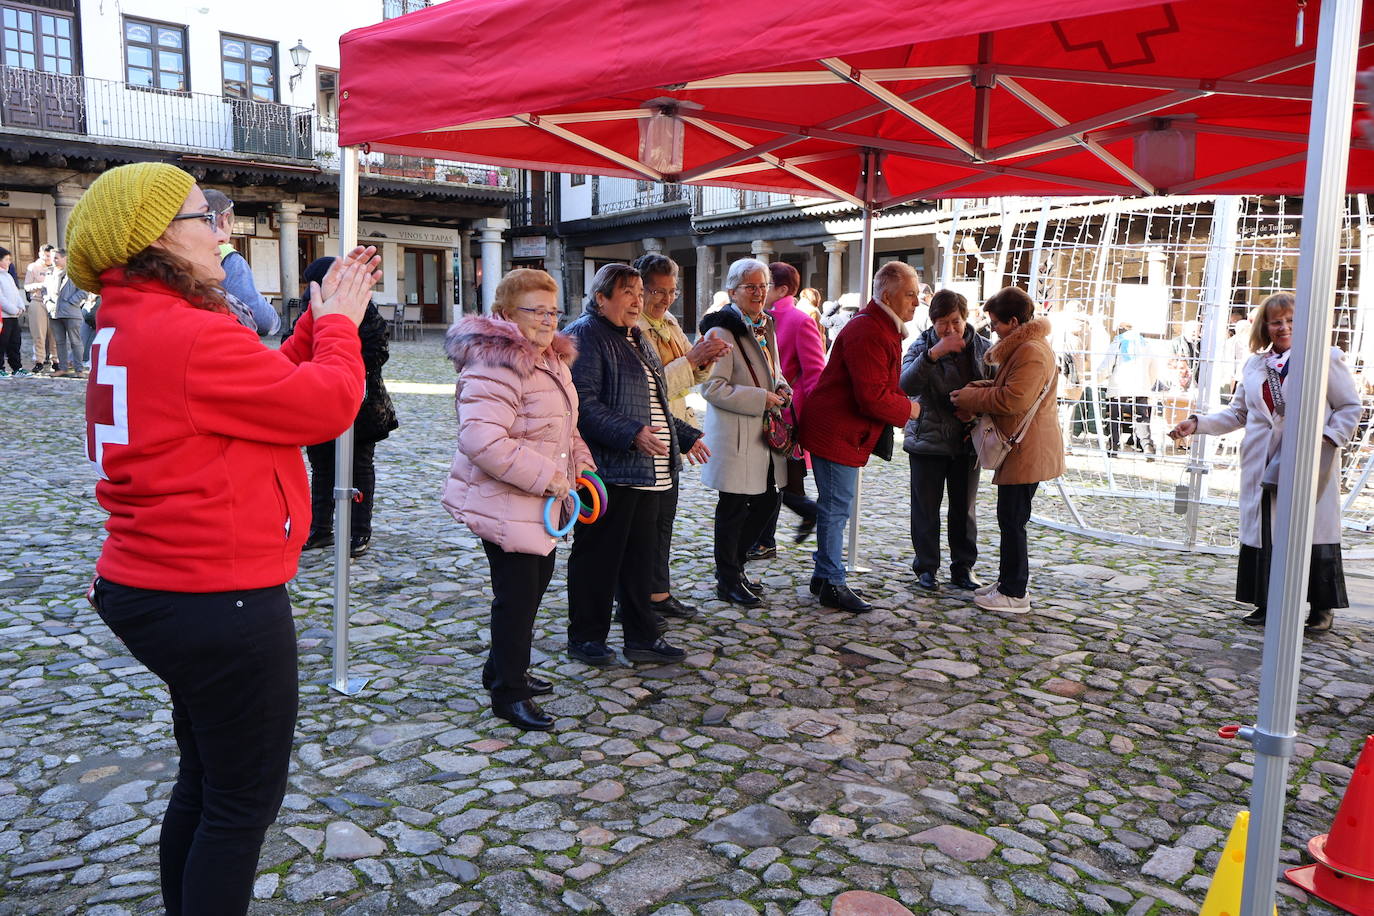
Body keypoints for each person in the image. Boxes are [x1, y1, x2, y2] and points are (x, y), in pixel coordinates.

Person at [68, 161, 379, 916]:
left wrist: (313, 322)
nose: (222, 229)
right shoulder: (184, 332)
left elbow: (259, 385)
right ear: (156, 241)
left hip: (158, 586)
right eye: (203, 216)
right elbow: (324, 405)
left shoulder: (136, 320)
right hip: (214, 597)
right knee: (239, 804)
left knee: (207, 782)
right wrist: (340, 328)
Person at [442, 269, 594, 730]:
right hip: (507, 501)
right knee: (517, 597)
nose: (548, 321)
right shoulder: (496, 363)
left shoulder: (550, 359)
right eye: (535, 311)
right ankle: (509, 692)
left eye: (553, 311)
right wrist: (549, 478)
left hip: (537, 500)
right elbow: (482, 440)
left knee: (531, 587)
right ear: (506, 315)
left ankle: (503, 668)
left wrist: (580, 466)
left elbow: (565, 427)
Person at [1169, 293, 1360, 633]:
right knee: (1266, 531)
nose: (1284, 327)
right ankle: (1266, 601)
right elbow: (1239, 412)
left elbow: (1349, 406)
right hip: (1263, 460)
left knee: (1310, 529)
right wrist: (1197, 424)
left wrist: (1328, 439)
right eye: (1276, 321)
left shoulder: (1324, 358)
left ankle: (1321, 606)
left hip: (1307, 459)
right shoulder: (1256, 365)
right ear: (1265, 326)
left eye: (1291, 320)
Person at [563, 263, 708, 666]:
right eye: (627, 291)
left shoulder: (638, 337)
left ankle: (642, 637)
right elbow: (583, 405)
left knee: (640, 560)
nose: (638, 299)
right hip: (609, 472)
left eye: (640, 292)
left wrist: (686, 434)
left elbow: (655, 404)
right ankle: (585, 638)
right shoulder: (585, 336)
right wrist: (630, 433)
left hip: (649, 472)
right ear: (601, 298)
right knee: (598, 559)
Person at [800, 261, 923, 613]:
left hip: (841, 431)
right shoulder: (870, 330)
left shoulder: (880, 326)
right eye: (910, 294)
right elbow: (871, 396)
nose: (916, 302)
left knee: (835, 506)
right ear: (887, 296)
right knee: (836, 508)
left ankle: (825, 576)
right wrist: (910, 411)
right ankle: (831, 583)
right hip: (836, 431)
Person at [949, 287, 1064, 613]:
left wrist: (971, 398)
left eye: (997, 322)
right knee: (1010, 518)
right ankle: (1008, 582)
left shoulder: (1030, 351)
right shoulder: (1025, 347)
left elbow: (1013, 399)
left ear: (1014, 321)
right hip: (1024, 448)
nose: (993, 329)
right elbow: (1006, 389)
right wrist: (974, 390)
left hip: (1027, 449)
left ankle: (1015, 592)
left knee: (1012, 521)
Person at [633, 252, 728, 623]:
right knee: (647, 521)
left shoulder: (669, 322)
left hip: (676, 427)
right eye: (657, 291)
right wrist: (691, 362)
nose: (665, 299)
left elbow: (694, 378)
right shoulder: (634, 326)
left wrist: (705, 360)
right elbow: (649, 387)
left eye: (671, 291)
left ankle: (659, 591)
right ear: (640, 289)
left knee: (664, 519)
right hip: (649, 429)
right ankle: (640, 596)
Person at [699, 258, 791, 607]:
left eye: (762, 286)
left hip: (763, 434)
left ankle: (736, 567)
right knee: (734, 507)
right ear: (732, 292)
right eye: (750, 287)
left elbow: (773, 371)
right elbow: (711, 387)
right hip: (736, 436)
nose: (758, 292)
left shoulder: (764, 325)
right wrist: (760, 398)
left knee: (769, 500)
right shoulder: (720, 332)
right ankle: (728, 578)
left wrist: (782, 388)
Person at [298, 256, 398, 558]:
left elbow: (377, 349)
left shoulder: (361, 306)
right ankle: (321, 529)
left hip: (361, 402)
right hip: (319, 401)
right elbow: (294, 341)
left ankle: (358, 531)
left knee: (359, 467)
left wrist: (341, 360)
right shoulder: (310, 307)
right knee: (323, 467)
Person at [900, 288, 993, 592]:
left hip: (968, 441)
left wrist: (975, 413)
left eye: (955, 321)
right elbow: (905, 384)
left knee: (964, 508)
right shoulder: (922, 345)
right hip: (928, 437)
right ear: (933, 322)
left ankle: (963, 567)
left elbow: (996, 391)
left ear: (966, 319)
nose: (950, 329)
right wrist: (933, 354)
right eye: (942, 322)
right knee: (925, 507)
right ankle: (926, 568)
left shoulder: (984, 348)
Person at [750, 261, 822, 558]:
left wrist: (804, 417)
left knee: (776, 479)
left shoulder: (798, 320)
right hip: (767, 410)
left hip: (785, 416)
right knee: (775, 479)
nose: (760, 291)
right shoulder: (759, 318)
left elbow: (815, 373)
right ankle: (769, 537)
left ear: (781, 289)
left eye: (764, 285)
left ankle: (768, 538)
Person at [202, 189, 281, 336]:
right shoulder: (229, 258)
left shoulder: (183, 253)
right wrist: (275, 319)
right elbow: (263, 320)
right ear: (224, 218)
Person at [1100, 322, 1158, 456]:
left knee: (1115, 416)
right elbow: (1154, 367)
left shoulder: (1118, 342)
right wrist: (1149, 383)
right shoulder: (1145, 344)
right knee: (1141, 416)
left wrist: (1097, 377)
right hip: (1141, 384)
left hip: (1119, 384)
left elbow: (1107, 364)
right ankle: (1147, 445)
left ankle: (1113, 446)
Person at [46, 249, 88, 378]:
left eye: (57, 258)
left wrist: (70, 302)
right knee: (59, 342)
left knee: (76, 342)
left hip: (71, 313)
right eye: (53, 258)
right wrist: (47, 301)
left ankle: (79, 370)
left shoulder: (75, 273)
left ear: (65, 259)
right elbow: (44, 290)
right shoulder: (50, 273)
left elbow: (84, 291)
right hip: (54, 313)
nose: (54, 260)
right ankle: (62, 368)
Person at [23, 244, 57, 373]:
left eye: (50, 256)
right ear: (40, 254)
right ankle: (39, 361)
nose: (49, 258)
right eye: (46, 255)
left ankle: (55, 361)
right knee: (39, 334)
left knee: (54, 334)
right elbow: (26, 286)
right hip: (38, 301)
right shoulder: (33, 267)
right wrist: (41, 285)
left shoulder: (56, 268)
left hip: (53, 303)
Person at [0, 247, 26, 377]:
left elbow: (16, 293)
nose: (9, 262)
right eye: (6, 259)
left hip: (13, 317)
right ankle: (0, 368)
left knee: (15, 342)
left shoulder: (9, 276)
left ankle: (17, 368)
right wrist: (13, 309)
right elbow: (1, 298)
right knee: (2, 342)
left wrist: (21, 306)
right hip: (3, 317)